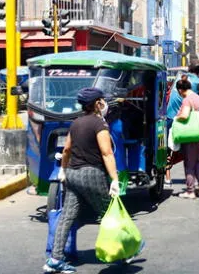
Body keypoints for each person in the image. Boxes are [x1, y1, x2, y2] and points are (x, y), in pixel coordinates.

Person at [43, 87, 143, 273]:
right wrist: (114, 179)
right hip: (91, 174)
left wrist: (63, 171)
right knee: (110, 212)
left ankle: (55, 259)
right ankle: (127, 250)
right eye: (102, 100)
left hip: (72, 174)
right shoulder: (99, 124)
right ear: (97, 103)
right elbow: (107, 153)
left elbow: (66, 150)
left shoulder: (76, 123)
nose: (104, 103)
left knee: (67, 216)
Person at [165, 60, 199, 188]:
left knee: (169, 148)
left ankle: (167, 176)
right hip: (181, 120)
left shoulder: (180, 77)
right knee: (189, 152)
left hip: (169, 116)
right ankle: (193, 183)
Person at [174, 76, 199, 199]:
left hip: (191, 136)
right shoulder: (198, 98)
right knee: (197, 162)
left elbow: (184, 115)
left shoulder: (187, 100)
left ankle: (190, 191)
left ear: (180, 90)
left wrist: (176, 118)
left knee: (189, 163)